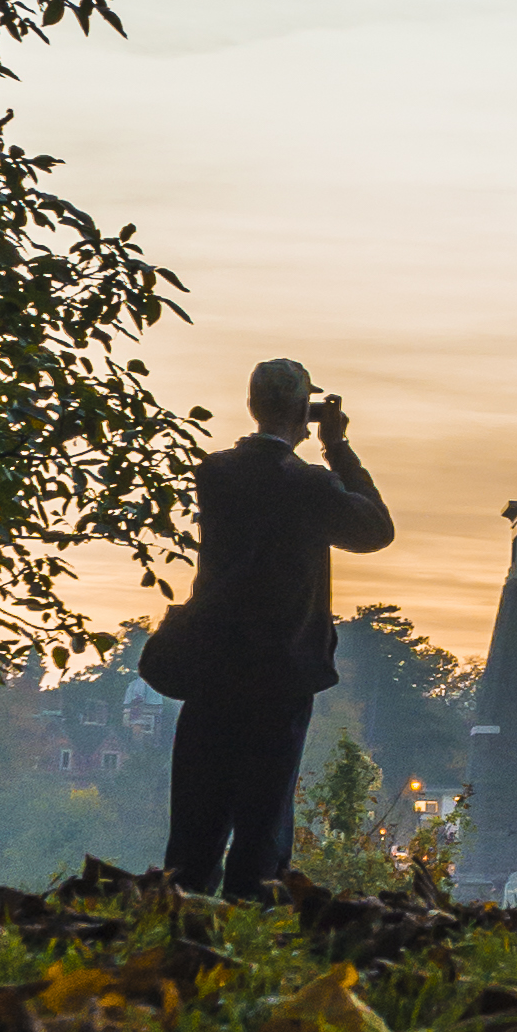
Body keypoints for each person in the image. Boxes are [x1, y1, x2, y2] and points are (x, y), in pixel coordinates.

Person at [161, 357, 394, 898]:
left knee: (197, 812)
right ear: (304, 413)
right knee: (264, 821)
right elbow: (374, 531)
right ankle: (252, 925)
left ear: (251, 406)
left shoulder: (214, 474)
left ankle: (178, 922)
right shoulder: (308, 485)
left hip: (211, 664)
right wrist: (337, 449)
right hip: (280, 670)